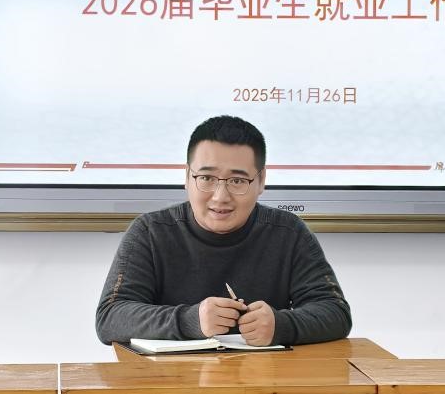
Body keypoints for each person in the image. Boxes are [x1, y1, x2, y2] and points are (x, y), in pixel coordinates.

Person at [96, 115, 352, 346]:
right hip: (169, 378)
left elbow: (335, 312)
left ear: (261, 181)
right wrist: (190, 320)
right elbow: (110, 318)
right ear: (187, 177)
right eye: (206, 178)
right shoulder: (150, 232)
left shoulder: (288, 233)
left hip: (263, 377)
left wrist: (281, 325)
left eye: (237, 180)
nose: (220, 197)